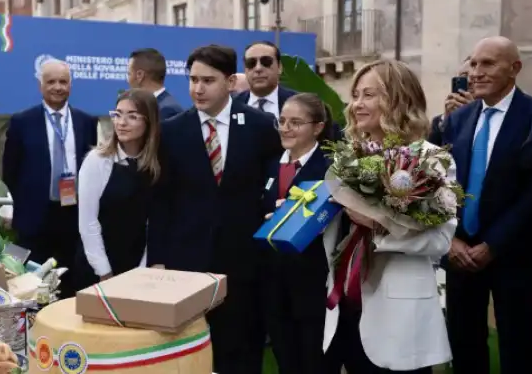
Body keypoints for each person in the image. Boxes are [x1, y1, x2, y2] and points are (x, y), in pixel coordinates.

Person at [148, 44, 281, 374]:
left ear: (231, 82)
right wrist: (159, 261)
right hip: (187, 263)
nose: (198, 88)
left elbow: (271, 189)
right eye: (193, 80)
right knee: (188, 353)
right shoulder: (172, 130)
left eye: (208, 80)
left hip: (244, 262)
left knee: (242, 350)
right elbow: (162, 201)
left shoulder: (260, 126)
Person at [323, 59, 455, 373]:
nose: (357, 104)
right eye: (356, 95)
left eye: (369, 95)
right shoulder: (348, 157)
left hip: (397, 315)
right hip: (343, 306)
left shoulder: (431, 159)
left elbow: (441, 241)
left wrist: (381, 227)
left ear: (398, 99)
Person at [442, 36, 532, 374]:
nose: (476, 73)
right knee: (464, 340)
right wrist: (451, 239)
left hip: (513, 254)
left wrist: (493, 245)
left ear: (515, 69)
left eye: (488, 64)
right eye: (473, 64)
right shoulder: (456, 120)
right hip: (459, 253)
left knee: (517, 344)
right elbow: (439, 183)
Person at [2, 59, 99, 298]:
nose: (58, 87)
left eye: (63, 82)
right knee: (32, 287)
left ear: (71, 85)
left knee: (69, 285)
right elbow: (10, 171)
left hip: (73, 217)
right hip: (33, 221)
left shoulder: (86, 122)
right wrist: (25, 205)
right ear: (40, 85)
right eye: (51, 82)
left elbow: (92, 167)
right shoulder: (22, 122)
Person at [259, 93, 334, 374]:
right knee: (285, 359)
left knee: (313, 360)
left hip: (313, 281)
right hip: (273, 281)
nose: (286, 128)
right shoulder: (268, 165)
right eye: (282, 121)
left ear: (317, 127)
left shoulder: (329, 167)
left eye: (296, 122)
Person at [75, 89, 160, 288]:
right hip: (97, 266)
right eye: (118, 114)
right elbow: (88, 222)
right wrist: (104, 272)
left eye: (132, 116)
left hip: (138, 267)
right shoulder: (97, 160)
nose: (121, 122)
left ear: (149, 122)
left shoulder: (155, 165)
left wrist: (143, 268)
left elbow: (154, 222)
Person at [428, 57, 474, 145]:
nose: (469, 81)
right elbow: (430, 153)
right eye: (464, 76)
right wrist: (447, 120)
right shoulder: (438, 121)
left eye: (473, 77)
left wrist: (473, 112)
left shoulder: (488, 118)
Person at [127, 48, 184, 119]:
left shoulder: (168, 111)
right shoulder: (152, 105)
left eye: (129, 74)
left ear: (140, 75)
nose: (128, 80)